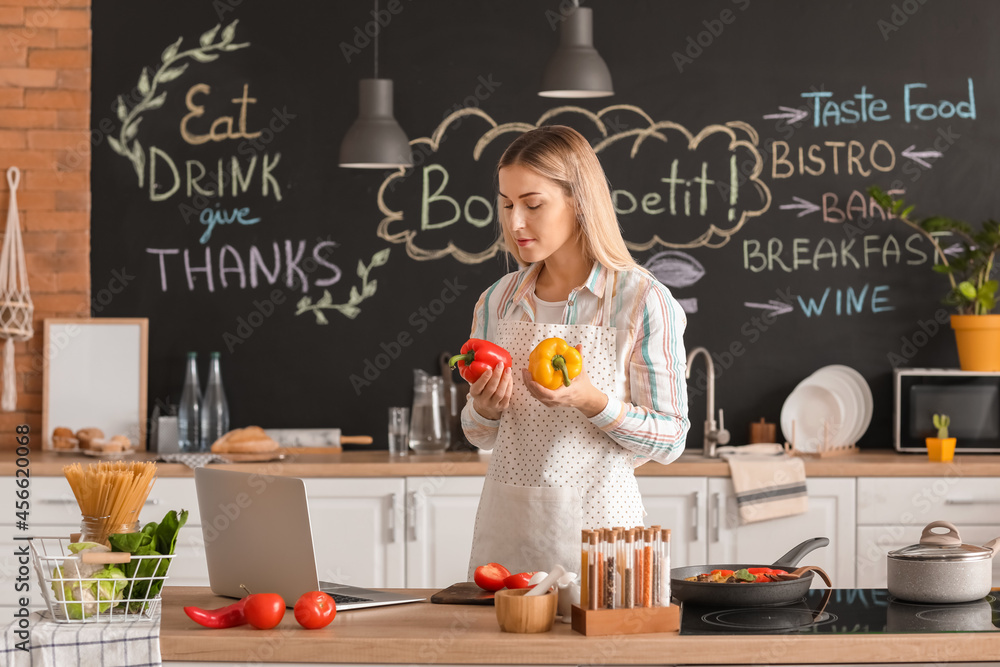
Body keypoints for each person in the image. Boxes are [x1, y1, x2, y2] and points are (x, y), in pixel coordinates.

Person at [461, 125, 690, 578]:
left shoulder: (642, 301)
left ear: (579, 201)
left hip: (601, 537)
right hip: (509, 534)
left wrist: (591, 401)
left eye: (533, 204)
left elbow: (671, 438)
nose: (515, 222)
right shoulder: (497, 301)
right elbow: (478, 434)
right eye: (506, 205)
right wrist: (485, 410)